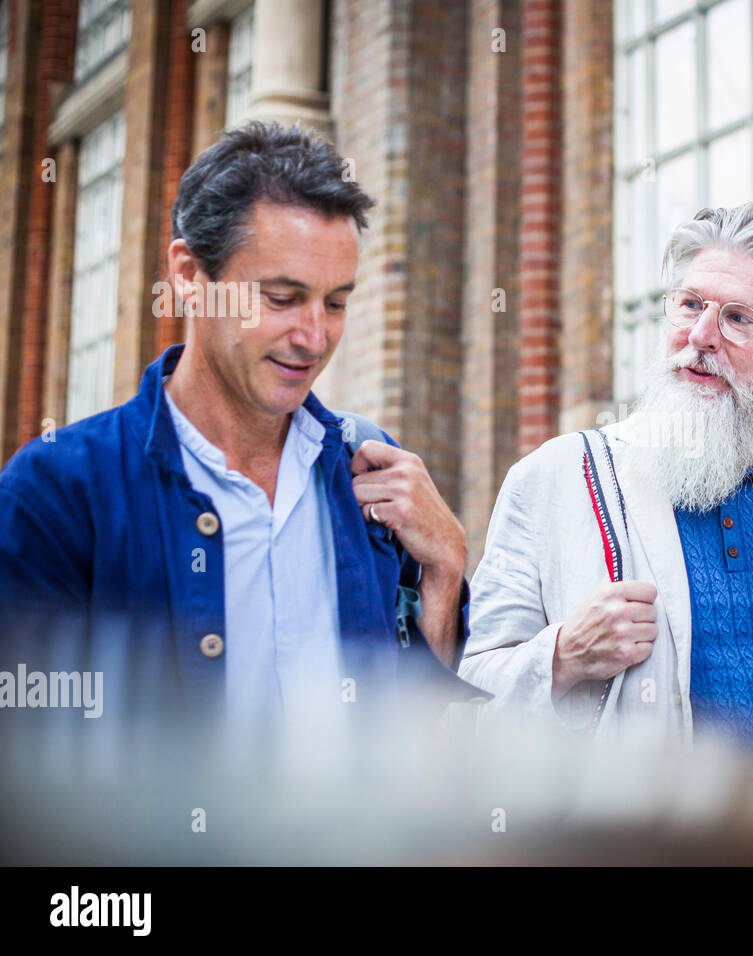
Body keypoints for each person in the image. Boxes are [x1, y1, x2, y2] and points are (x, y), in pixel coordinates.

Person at [459, 202, 753, 864]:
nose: (701, 335)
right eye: (688, 305)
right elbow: (471, 701)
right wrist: (563, 655)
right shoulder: (553, 481)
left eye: (737, 318)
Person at [0, 121, 476, 745]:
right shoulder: (57, 492)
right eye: (281, 297)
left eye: (335, 303)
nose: (314, 337)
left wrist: (443, 573)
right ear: (189, 276)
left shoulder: (373, 478)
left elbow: (414, 750)